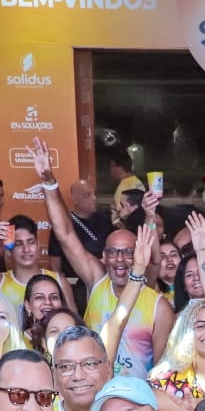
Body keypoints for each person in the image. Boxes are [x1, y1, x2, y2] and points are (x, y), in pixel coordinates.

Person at [36, 140, 174, 377]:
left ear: (138, 256)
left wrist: (150, 215)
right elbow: (66, 234)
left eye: (128, 252)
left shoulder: (157, 305)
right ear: (103, 257)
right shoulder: (97, 281)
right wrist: (49, 184)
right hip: (92, 398)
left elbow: (161, 372)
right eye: (112, 252)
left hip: (134, 404)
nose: (119, 259)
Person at [46, 178, 112, 273]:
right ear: (75, 199)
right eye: (87, 195)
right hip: (73, 281)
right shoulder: (64, 224)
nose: (94, 198)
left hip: (102, 280)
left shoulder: (104, 220)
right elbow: (55, 261)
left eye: (94, 194)